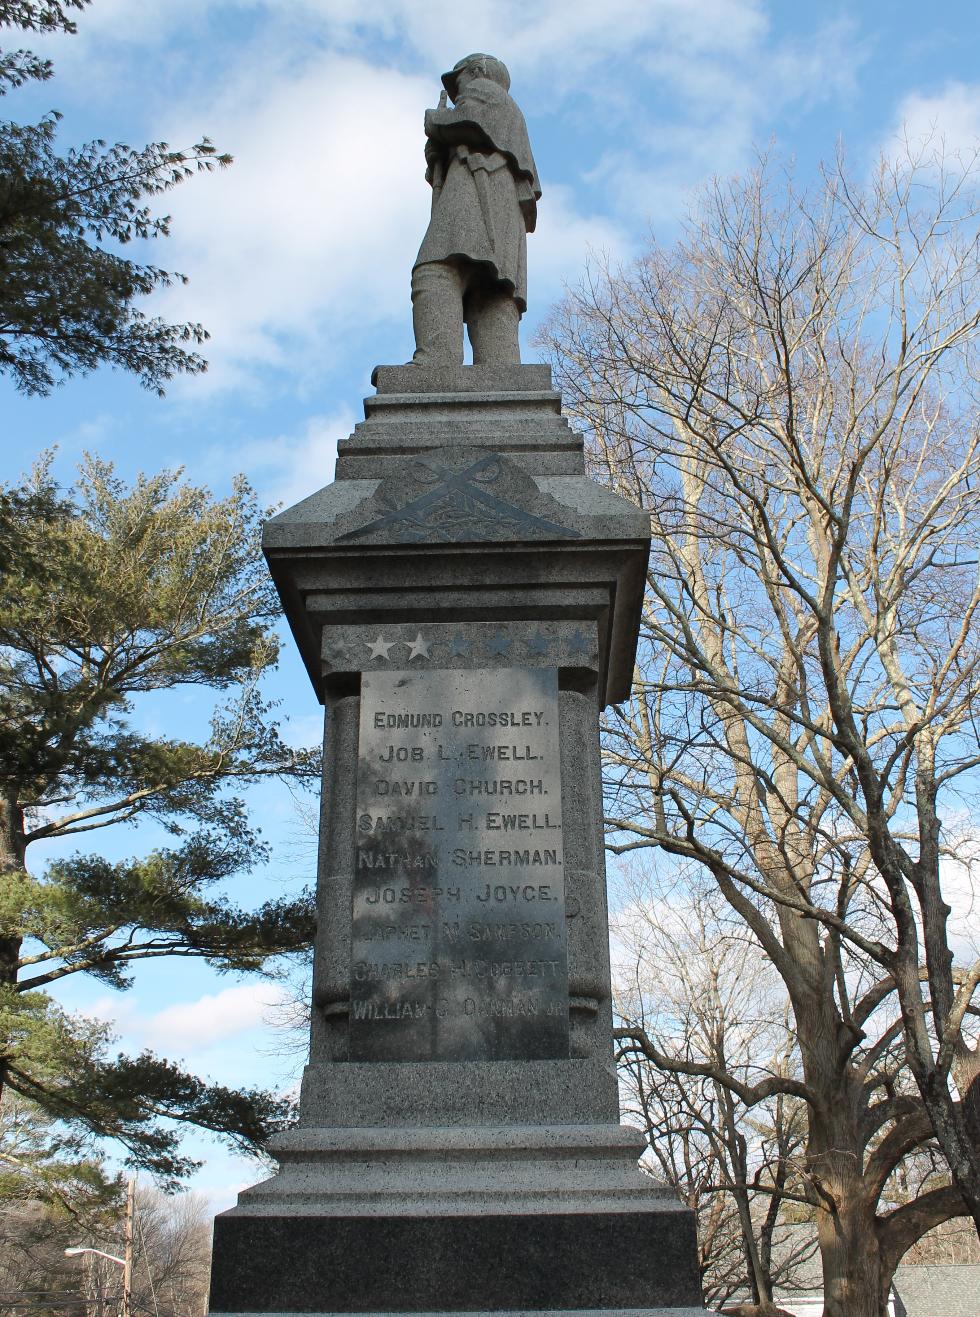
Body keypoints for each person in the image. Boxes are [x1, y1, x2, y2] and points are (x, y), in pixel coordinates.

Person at [410, 53, 541, 367]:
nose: (459, 93)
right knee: (492, 289)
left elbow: (469, 122)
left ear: (478, 71)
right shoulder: (509, 110)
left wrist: (436, 121)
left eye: (460, 81)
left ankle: (438, 358)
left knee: (436, 269)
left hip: (479, 190)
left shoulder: (484, 87)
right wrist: (438, 153)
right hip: (500, 202)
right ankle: (502, 367)